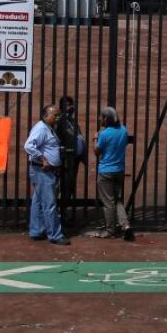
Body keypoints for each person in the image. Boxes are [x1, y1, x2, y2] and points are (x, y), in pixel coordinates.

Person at [24, 104, 68, 245]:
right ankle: (55, 235)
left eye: (58, 115)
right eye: (55, 115)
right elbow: (28, 146)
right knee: (50, 204)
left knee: (38, 201)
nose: (57, 118)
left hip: (44, 171)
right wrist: (43, 159)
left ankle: (36, 230)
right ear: (45, 116)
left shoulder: (48, 128)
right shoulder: (41, 129)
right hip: (43, 171)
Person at [94, 106, 134, 240]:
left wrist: (95, 139)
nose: (100, 118)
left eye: (101, 116)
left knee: (108, 202)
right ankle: (125, 225)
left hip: (106, 171)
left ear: (106, 118)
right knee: (117, 200)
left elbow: (97, 152)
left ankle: (110, 230)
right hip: (119, 170)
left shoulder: (104, 134)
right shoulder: (123, 130)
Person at [54, 96, 85, 224]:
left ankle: (64, 213)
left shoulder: (72, 120)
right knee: (64, 187)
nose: (71, 107)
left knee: (70, 187)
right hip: (65, 160)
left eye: (71, 104)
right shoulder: (60, 121)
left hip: (73, 160)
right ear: (61, 107)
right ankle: (60, 215)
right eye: (67, 105)